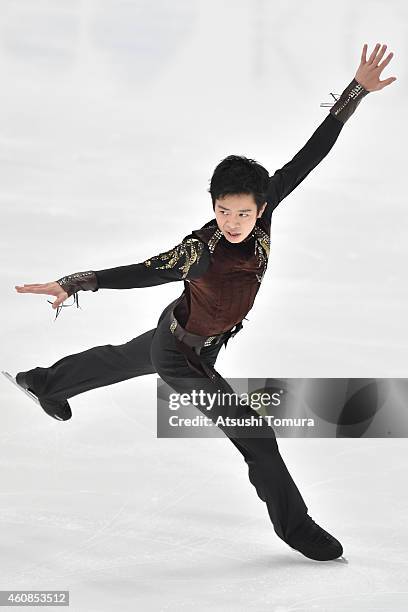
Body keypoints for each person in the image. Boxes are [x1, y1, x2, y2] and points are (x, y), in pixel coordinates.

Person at [12, 43, 396, 561]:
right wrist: (75, 282)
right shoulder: (199, 250)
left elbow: (311, 153)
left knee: (128, 357)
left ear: (262, 206)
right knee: (254, 434)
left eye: (242, 213)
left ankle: (47, 381)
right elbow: (142, 272)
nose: (232, 223)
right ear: (212, 206)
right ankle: (295, 526)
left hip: (192, 334)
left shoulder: (267, 204)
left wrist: (356, 93)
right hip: (185, 353)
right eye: (222, 211)